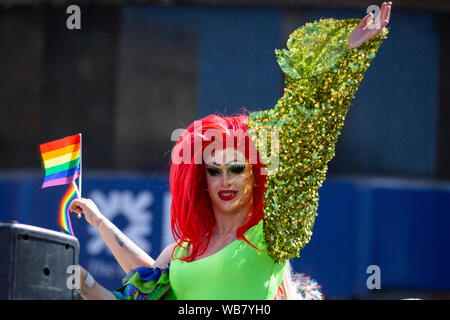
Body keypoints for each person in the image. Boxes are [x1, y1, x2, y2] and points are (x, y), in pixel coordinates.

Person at [70, 2, 392, 300]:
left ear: (254, 174)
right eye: (213, 170)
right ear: (201, 180)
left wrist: (345, 56)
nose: (225, 180)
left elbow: (307, 134)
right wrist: (85, 273)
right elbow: (140, 288)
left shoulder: (271, 235)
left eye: (237, 168)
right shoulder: (181, 253)